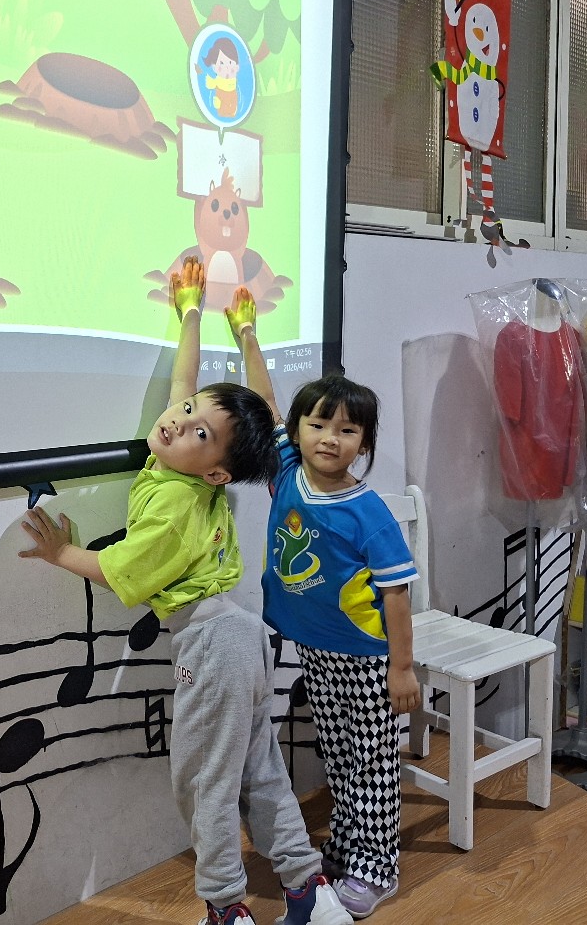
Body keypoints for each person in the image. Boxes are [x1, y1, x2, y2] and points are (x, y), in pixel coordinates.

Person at [18, 258, 351, 925]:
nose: (177, 420)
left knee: (204, 784)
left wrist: (61, 554)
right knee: (259, 771)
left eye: (198, 431)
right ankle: (310, 895)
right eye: (187, 412)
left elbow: (122, 570)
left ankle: (226, 909)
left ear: (218, 472)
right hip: (243, 639)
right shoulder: (184, 468)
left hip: (213, 647)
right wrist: (192, 312)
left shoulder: (173, 502)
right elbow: (184, 386)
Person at [230, 287, 419, 920]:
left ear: (364, 442)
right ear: (297, 432)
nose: (330, 438)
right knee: (338, 755)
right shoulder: (286, 473)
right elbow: (264, 405)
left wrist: (401, 668)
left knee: (371, 762)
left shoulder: (369, 512)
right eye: (317, 425)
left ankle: (376, 870)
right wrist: (249, 337)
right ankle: (346, 850)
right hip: (313, 646)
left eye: (347, 430)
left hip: (365, 658)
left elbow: (396, 594)